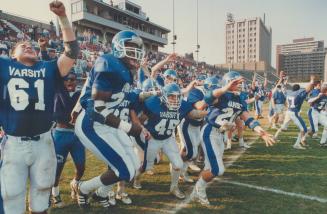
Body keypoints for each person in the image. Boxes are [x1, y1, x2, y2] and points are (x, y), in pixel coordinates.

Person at [0, 1, 78, 213]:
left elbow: (72, 51)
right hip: (14, 143)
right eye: (22, 46)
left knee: (42, 192)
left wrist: (62, 17)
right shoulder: (5, 65)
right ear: (13, 55)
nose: (29, 46)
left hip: (44, 141)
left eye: (31, 46)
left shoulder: (48, 68)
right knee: (11, 196)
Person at [74, 30, 150, 209]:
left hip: (109, 124)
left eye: (137, 48)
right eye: (130, 47)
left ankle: (100, 195)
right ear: (118, 47)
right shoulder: (108, 62)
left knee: (131, 170)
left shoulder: (126, 71)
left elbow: (123, 96)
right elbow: (98, 109)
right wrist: (129, 128)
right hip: (92, 123)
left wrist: (144, 95)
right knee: (122, 169)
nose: (135, 52)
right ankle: (83, 188)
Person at [190, 71, 275, 205]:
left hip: (221, 134)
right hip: (210, 132)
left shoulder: (240, 99)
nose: (241, 86)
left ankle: (196, 192)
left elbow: (248, 119)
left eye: (241, 83)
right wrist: (225, 89)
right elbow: (204, 102)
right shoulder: (221, 95)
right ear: (228, 83)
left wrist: (261, 132)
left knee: (209, 167)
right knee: (218, 169)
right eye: (237, 83)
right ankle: (199, 189)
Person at [139, 83, 207, 199]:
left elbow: (194, 114)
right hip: (153, 139)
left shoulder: (182, 105)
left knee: (178, 164)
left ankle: (174, 187)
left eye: (177, 96)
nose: (175, 99)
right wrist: (143, 129)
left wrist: (209, 113)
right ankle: (136, 178)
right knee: (146, 167)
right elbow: (140, 120)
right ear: (164, 96)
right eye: (171, 96)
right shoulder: (153, 102)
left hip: (168, 139)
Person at [51, 71, 85, 208]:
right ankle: (55, 193)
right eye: (67, 79)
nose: (70, 82)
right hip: (60, 134)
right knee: (57, 168)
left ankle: (75, 183)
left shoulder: (79, 95)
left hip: (76, 135)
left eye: (73, 79)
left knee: (81, 167)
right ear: (62, 82)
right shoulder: (58, 91)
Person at [274, 76, 315, 150]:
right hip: (294, 112)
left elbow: (281, 88)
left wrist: (283, 81)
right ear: (298, 89)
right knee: (304, 129)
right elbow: (308, 89)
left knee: (283, 127)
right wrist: (311, 81)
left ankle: (275, 136)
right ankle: (297, 144)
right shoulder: (298, 94)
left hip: (289, 111)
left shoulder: (289, 92)